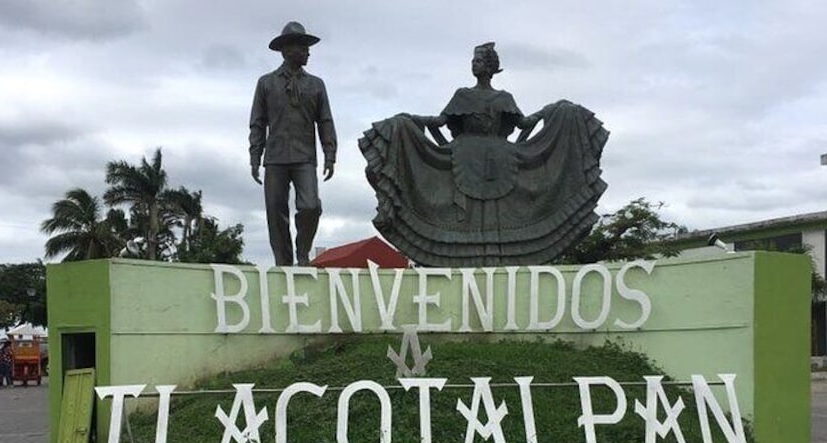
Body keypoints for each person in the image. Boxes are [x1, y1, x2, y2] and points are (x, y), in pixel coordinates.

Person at [359, 42, 609, 267]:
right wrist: (407, 121)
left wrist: (555, 111)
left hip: (501, 160)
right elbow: (439, 121)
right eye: (473, 60)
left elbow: (523, 123)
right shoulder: (462, 95)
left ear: (490, 67)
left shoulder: (504, 98)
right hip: (464, 157)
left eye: (478, 60)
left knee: (498, 212)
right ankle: (462, 254)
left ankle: (501, 254)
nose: (473, 64)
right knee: (467, 213)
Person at [249, 21, 337, 266]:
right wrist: (255, 157)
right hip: (275, 157)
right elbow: (257, 122)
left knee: (310, 207)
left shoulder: (316, 85)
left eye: (308, 48)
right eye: (303, 47)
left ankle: (302, 253)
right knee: (275, 212)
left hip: (304, 157)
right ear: (287, 50)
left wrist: (330, 153)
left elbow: (326, 121)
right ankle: (283, 263)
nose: (308, 52)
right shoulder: (266, 83)